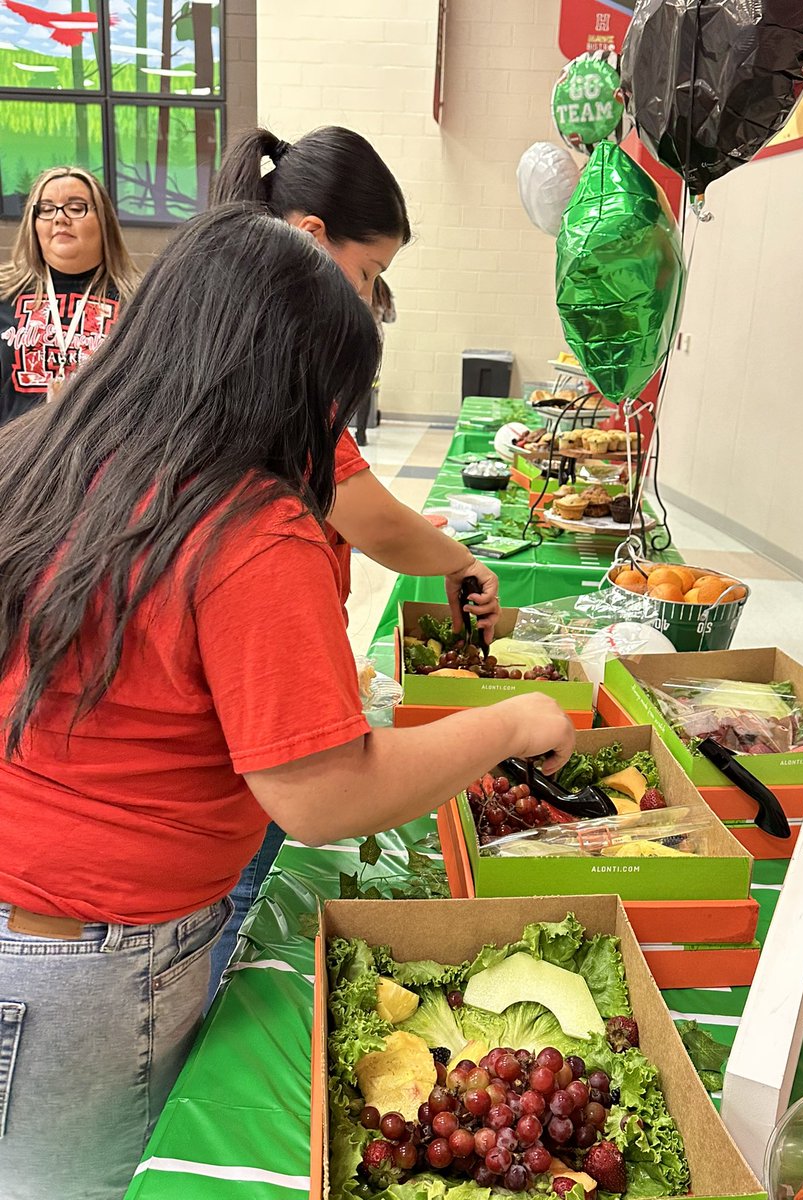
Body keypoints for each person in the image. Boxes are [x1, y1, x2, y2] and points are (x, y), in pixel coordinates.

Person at [0, 205, 574, 1200]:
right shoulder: (247, 525)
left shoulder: (50, 446)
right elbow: (321, 795)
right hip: (89, 960)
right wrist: (516, 723)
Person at [206, 126, 505, 993]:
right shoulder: (258, 477)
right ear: (306, 239)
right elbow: (320, 799)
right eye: (369, 274)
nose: (369, 299)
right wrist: (511, 724)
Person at [0, 166, 139, 425]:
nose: (60, 218)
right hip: (14, 458)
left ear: (104, 221)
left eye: (76, 208)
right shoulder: (4, 295)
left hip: (101, 457)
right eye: (47, 209)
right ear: (33, 224)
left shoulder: (138, 302)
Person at [356, 274, 396, 445]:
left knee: (341, 390)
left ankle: (337, 433)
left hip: (352, 339)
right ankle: (361, 432)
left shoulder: (355, 282)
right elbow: (391, 317)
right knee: (366, 391)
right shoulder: (382, 289)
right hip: (373, 343)